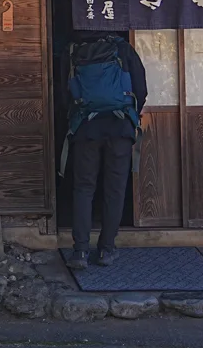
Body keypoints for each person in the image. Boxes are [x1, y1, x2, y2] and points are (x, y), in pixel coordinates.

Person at [62, 30, 147, 270]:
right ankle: (106, 250)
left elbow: (63, 93)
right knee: (115, 188)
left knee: (83, 188)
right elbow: (140, 88)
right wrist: (130, 114)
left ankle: (80, 251)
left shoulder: (72, 51)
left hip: (86, 127)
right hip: (119, 128)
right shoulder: (122, 49)